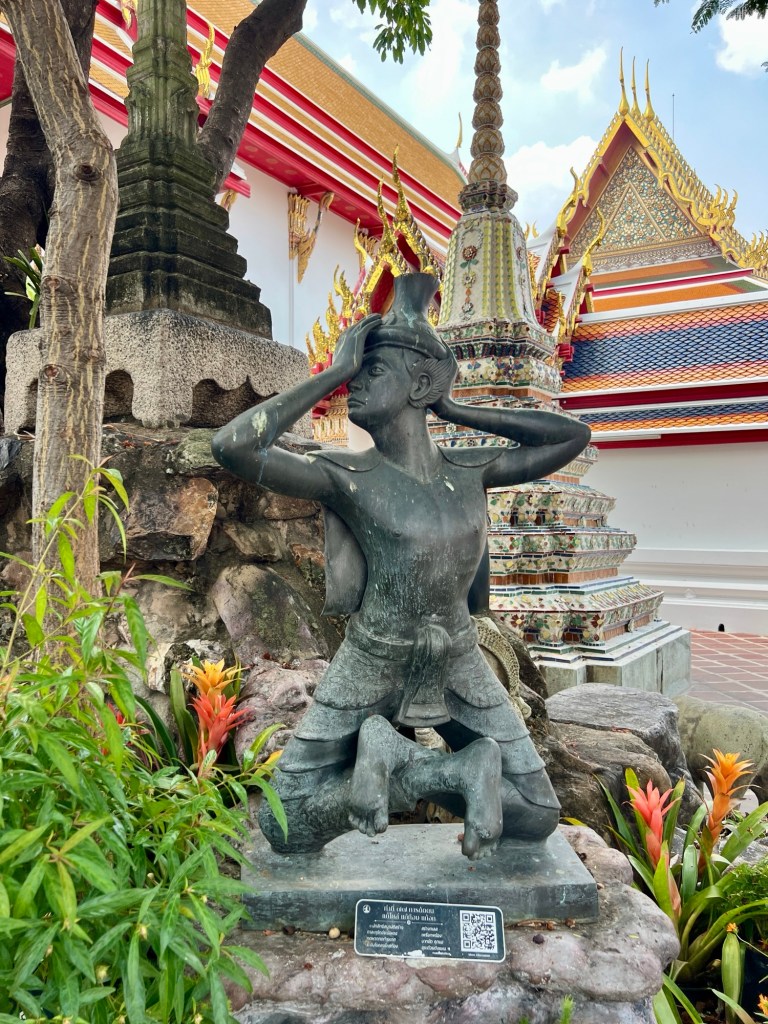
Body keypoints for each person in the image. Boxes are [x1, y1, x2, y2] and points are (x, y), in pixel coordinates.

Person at [212, 272, 591, 860]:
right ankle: (409, 763)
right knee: (286, 824)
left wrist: (452, 405)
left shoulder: (471, 469)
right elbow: (233, 446)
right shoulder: (346, 474)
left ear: (418, 384)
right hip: (371, 657)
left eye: (373, 371)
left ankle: (441, 767)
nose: (356, 384)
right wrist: (332, 373)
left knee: (536, 813)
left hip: (457, 655)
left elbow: (570, 437)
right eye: (355, 374)